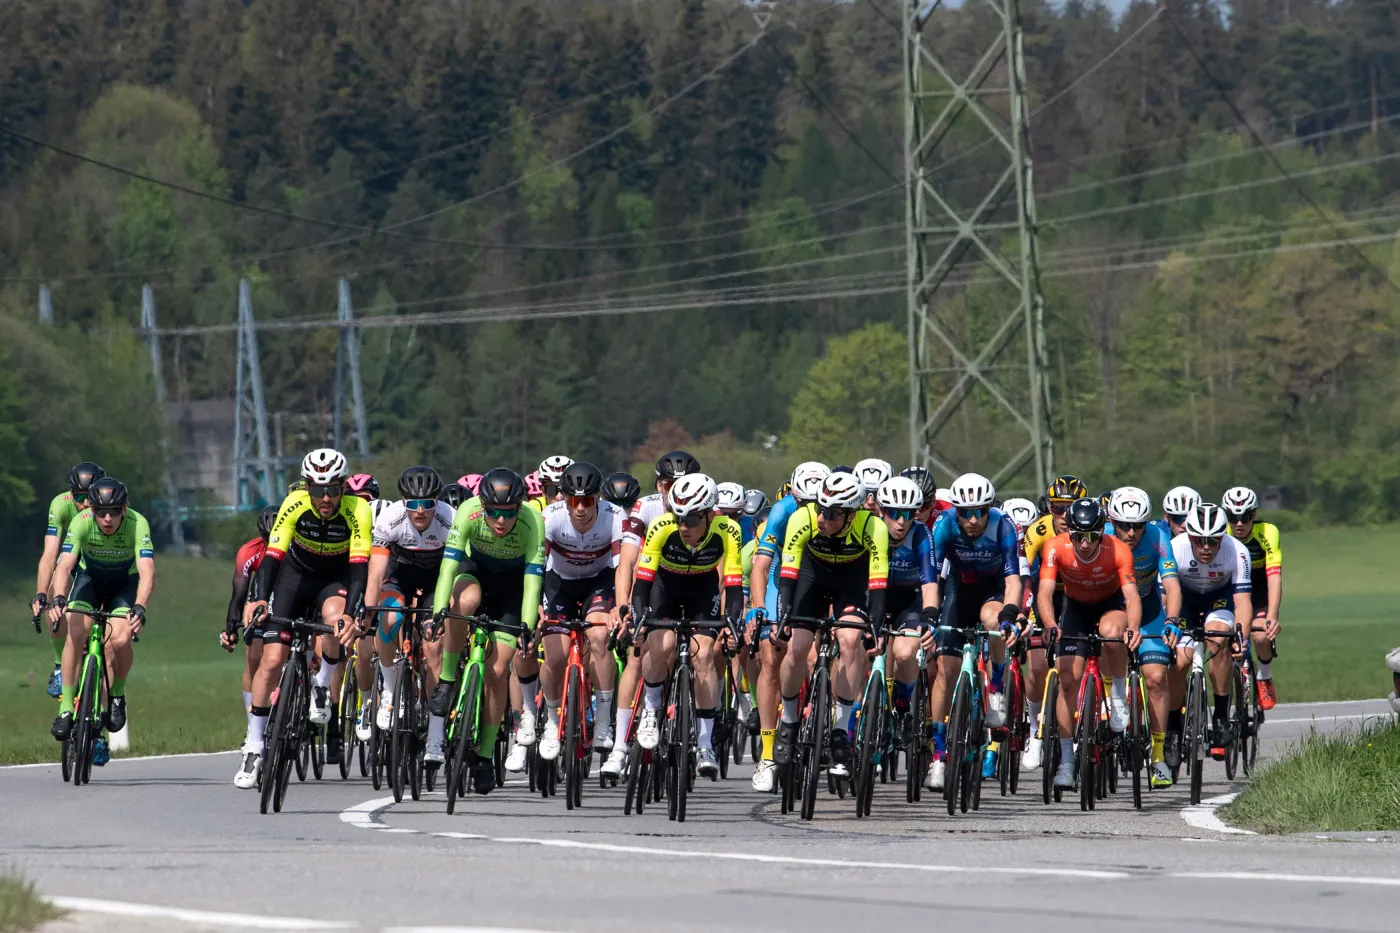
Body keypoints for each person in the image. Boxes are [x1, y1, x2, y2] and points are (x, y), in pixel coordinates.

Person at [236, 448, 372, 788]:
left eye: (332, 489)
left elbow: (359, 570)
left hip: (336, 577)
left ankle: (323, 684)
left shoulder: (359, 510)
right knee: (271, 662)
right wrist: (259, 600)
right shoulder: (294, 503)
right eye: (317, 489)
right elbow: (272, 557)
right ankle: (254, 746)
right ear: (307, 487)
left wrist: (352, 615)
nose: (325, 498)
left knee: (335, 620)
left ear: (344, 487)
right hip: (294, 577)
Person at [430, 468, 544, 794]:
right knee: (463, 602)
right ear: (482, 505)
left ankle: (484, 757)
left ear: (519, 508)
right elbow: (448, 567)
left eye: (508, 513)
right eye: (493, 511)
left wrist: (526, 626)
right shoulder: (468, 512)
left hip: (512, 589)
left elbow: (533, 580)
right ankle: (448, 680)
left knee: (497, 671)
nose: (500, 520)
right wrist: (440, 609)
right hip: (475, 571)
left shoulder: (533, 521)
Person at [774, 471, 889, 780]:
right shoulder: (804, 518)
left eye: (832, 512)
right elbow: (788, 576)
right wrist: (783, 615)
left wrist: (874, 629)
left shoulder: (873, 526)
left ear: (851, 515)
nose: (822, 517)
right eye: (820, 508)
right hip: (812, 577)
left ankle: (841, 730)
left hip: (851, 583)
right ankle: (787, 720)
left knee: (851, 642)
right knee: (797, 648)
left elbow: (878, 584)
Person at [630, 473, 745, 778]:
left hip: (702, 588)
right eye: (678, 516)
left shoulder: (727, 530)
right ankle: (652, 711)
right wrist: (639, 619)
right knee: (662, 644)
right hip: (664, 588)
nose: (683, 526)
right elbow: (642, 583)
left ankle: (705, 743)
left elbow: (733, 585)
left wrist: (734, 625)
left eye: (692, 519)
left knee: (704, 654)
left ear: (710, 514)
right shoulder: (661, 528)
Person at [47, 478, 155, 769]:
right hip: (90, 581)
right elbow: (65, 564)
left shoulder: (138, 523)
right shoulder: (82, 522)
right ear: (91, 510)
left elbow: (146, 571)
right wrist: (58, 597)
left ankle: (117, 694)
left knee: (120, 640)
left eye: (114, 512)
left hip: (124, 585)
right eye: (101, 513)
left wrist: (140, 607)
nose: (107, 519)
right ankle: (68, 708)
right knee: (74, 629)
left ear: (125, 508)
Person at [923, 473, 1022, 790]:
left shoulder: (1003, 525)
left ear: (990, 508)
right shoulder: (944, 525)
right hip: (958, 589)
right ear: (956, 510)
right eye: (966, 511)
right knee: (945, 672)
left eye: (981, 510)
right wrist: (930, 615)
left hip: (992, 590)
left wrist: (1010, 613)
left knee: (993, 622)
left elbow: (1012, 580)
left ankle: (994, 691)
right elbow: (934, 578)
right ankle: (938, 757)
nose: (974, 519)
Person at [1036, 497, 1141, 789]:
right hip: (1075, 608)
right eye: (1078, 536)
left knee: (1111, 634)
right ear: (1069, 532)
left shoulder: (1117, 549)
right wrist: (1050, 625)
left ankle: (1118, 693)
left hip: (1110, 603)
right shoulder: (1055, 547)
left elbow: (1131, 595)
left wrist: (1132, 628)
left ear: (1102, 531)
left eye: (1092, 536)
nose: (1085, 543)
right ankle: (1067, 761)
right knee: (1068, 681)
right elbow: (1044, 593)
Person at [358, 467, 456, 761]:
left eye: (427, 503)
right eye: (413, 503)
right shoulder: (391, 519)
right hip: (400, 573)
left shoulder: (449, 520)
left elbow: (457, 571)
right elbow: (375, 574)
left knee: (434, 646)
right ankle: (390, 691)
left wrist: (446, 608)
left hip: (437, 579)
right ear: (403, 502)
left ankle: (436, 734)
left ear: (436, 503)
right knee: (388, 618)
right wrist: (367, 612)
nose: (420, 511)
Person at [533, 461, 627, 763]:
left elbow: (622, 567)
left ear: (598, 497)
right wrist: (533, 603)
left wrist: (618, 606)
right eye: (574, 501)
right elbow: (536, 567)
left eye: (587, 501)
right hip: (559, 583)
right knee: (555, 655)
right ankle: (551, 720)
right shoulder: (550, 517)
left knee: (599, 636)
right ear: (564, 498)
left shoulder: (615, 516)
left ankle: (602, 721)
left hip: (599, 583)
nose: (581, 508)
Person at [747, 461, 828, 791]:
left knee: (817, 653)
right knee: (770, 655)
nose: (811, 512)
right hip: (783, 580)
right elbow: (761, 565)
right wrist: (758, 610)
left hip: (821, 579)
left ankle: (822, 718)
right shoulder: (781, 511)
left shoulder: (835, 514)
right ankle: (767, 754)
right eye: (803, 504)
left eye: (817, 505)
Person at [1107, 486, 1182, 787]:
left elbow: (1173, 585)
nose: (1131, 532)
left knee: (1155, 677)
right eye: (1124, 525)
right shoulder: (1103, 539)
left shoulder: (1158, 538)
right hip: (1112, 607)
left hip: (1149, 610)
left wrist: (1173, 621)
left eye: (1138, 525)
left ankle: (1159, 755)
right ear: (1113, 522)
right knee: (1106, 653)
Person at [1170, 503, 1253, 759]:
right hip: (1184, 600)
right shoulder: (1175, 548)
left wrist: (1242, 637)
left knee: (1218, 640)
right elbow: (1166, 597)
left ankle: (1219, 717)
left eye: (1213, 541)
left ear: (1222, 537)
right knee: (1179, 659)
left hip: (1219, 599)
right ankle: (1173, 727)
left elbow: (1242, 601)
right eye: (1200, 540)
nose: (1206, 547)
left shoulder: (1237, 551)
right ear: (1190, 536)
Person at [33, 462, 104, 697]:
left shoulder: (107, 508)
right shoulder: (60, 505)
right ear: (71, 493)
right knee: (55, 592)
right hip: (71, 561)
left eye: (89, 496)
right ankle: (58, 667)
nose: (85, 503)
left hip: (100, 565)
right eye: (79, 496)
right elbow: (50, 554)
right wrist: (41, 594)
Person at [220, 505, 280, 759]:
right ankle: (252, 722)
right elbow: (239, 595)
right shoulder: (250, 551)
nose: (271, 543)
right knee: (253, 656)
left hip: (293, 592)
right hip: (261, 596)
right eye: (267, 539)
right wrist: (231, 627)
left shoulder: (297, 548)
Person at [1221, 485, 1282, 710]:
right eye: (1233, 517)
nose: (1239, 524)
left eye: (1245, 517)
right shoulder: (1222, 535)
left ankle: (1264, 676)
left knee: (1260, 635)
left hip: (1259, 590)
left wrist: (1273, 616)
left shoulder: (1268, 532)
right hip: (1232, 590)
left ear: (1254, 516)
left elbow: (1274, 576)